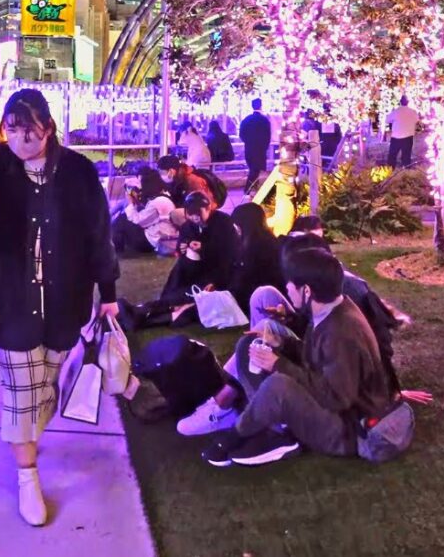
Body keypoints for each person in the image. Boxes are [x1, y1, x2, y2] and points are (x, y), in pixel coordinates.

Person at [0, 89, 120, 527]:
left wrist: (106, 292)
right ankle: (27, 477)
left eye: (29, 130)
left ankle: (29, 437)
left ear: (48, 127)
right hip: (10, 302)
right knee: (20, 395)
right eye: (11, 130)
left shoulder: (77, 171)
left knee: (45, 386)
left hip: (63, 301)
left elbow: (98, 234)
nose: (20, 139)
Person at [201, 248, 396, 467]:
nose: (286, 287)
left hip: (347, 429)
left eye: (290, 283)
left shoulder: (341, 332)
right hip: (333, 405)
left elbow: (337, 398)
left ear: (307, 290)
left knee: (278, 384)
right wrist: (282, 344)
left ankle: (237, 435)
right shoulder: (330, 309)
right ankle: (275, 428)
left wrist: (279, 364)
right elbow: (318, 358)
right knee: (249, 345)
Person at [160, 191, 240, 305]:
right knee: (179, 268)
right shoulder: (188, 225)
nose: (195, 218)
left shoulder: (224, 222)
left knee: (198, 295)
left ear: (208, 208)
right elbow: (182, 244)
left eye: (198, 213)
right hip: (194, 267)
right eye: (190, 214)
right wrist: (182, 248)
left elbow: (229, 254)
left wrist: (204, 249)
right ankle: (166, 301)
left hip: (217, 269)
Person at [227, 203, 285, 311]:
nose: (236, 230)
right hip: (257, 294)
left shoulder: (260, 247)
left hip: (262, 299)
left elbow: (247, 280)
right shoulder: (266, 241)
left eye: (237, 226)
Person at [112, 169, 178, 257]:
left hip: (153, 242)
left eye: (141, 183)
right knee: (123, 216)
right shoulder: (163, 195)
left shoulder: (158, 201)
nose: (140, 187)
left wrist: (131, 203)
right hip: (159, 238)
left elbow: (138, 221)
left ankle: (115, 250)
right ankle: (114, 245)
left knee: (122, 219)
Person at [240, 99, 272, 192]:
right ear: (261, 106)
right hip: (260, 149)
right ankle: (248, 189)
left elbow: (241, 134)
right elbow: (267, 136)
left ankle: (252, 188)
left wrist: (248, 142)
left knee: (253, 169)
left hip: (249, 149)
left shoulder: (246, 120)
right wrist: (264, 147)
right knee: (255, 170)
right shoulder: (264, 120)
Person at [386, 96, 420, 168]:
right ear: (408, 102)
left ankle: (390, 168)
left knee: (392, 155)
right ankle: (406, 168)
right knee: (406, 155)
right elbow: (417, 120)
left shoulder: (396, 111)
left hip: (396, 136)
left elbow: (387, 120)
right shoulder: (413, 112)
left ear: (400, 102)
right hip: (408, 136)